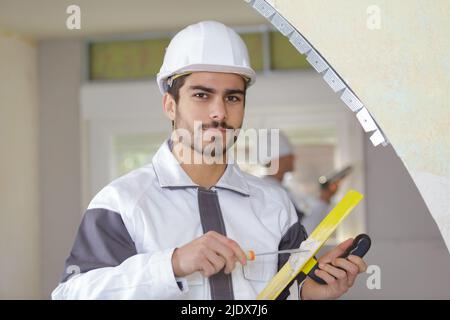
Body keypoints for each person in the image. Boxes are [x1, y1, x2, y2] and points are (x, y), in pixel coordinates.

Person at [52, 21, 366, 300]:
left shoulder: (275, 205)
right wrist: (172, 264)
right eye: (202, 95)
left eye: (232, 97)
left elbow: (289, 291)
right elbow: (70, 294)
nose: (219, 112)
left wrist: (310, 293)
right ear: (170, 105)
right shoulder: (123, 202)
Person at [261, 131, 341, 234]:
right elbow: (300, 235)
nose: (294, 158)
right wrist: (324, 200)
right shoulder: (270, 192)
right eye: (289, 155)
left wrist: (324, 198)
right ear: (276, 159)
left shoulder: (279, 189)